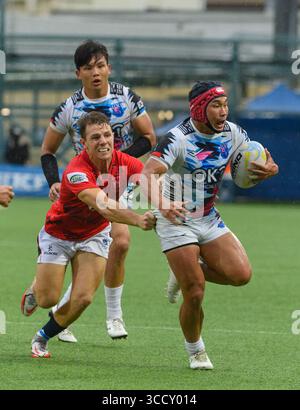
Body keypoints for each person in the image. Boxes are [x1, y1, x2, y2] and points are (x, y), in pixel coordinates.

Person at [21, 40, 156, 342]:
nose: (96, 72)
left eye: (100, 65)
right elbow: (47, 150)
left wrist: (118, 164)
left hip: (117, 177)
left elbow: (149, 137)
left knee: (120, 242)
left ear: (109, 67)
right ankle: (47, 289)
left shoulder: (127, 99)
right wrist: (54, 180)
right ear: (78, 73)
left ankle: (114, 314)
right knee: (83, 238)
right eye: (88, 67)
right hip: (83, 181)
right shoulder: (69, 107)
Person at [141, 81, 279, 370]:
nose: (223, 111)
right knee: (196, 290)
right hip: (175, 219)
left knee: (241, 275)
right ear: (199, 109)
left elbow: (258, 157)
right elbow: (147, 175)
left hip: (208, 216)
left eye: (225, 104)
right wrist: (163, 205)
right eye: (215, 105)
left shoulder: (234, 133)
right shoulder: (177, 138)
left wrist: (270, 169)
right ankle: (196, 350)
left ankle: (182, 271)